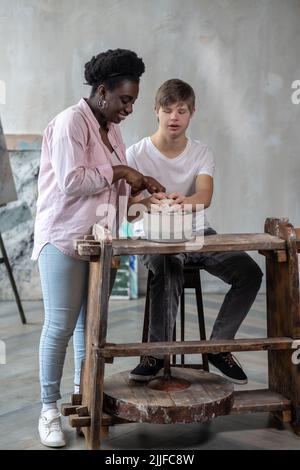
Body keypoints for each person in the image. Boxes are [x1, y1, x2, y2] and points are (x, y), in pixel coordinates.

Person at [32, 49, 165, 448]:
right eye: (125, 99)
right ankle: (49, 410)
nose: (129, 108)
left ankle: (82, 396)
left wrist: (141, 195)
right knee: (59, 324)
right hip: (63, 237)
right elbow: (73, 181)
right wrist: (124, 171)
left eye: (133, 102)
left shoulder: (112, 127)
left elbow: (114, 187)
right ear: (102, 91)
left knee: (88, 328)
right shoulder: (70, 121)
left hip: (99, 240)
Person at [126, 79, 263, 384]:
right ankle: (156, 353)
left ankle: (218, 346)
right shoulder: (135, 153)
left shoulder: (202, 152)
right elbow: (130, 207)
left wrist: (182, 201)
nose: (174, 117)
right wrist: (151, 201)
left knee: (250, 273)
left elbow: (205, 195)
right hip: (154, 235)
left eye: (182, 110)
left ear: (192, 114)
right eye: (168, 109)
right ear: (156, 112)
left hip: (198, 232)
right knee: (169, 267)